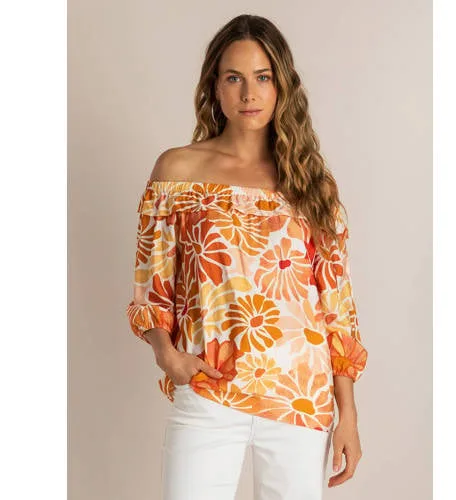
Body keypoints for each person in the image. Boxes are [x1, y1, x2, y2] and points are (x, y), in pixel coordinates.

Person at [126, 13, 368, 500]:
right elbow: (153, 286)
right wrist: (167, 356)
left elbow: (336, 306)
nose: (249, 94)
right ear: (214, 86)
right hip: (209, 390)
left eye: (263, 77)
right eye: (234, 78)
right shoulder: (177, 171)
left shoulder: (311, 184)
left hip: (299, 398)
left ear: (282, 86)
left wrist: (349, 415)